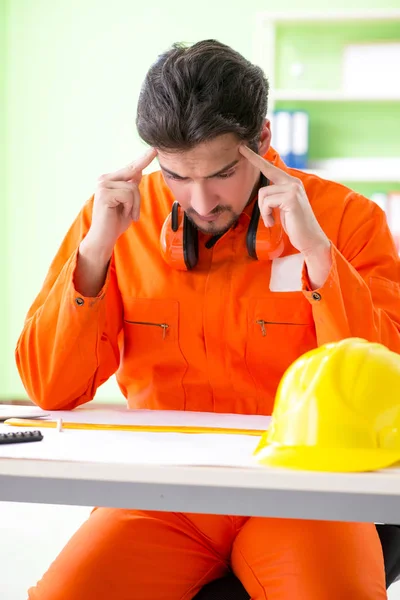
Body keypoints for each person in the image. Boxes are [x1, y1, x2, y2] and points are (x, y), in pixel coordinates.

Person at [16, 39, 398, 600]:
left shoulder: (347, 220)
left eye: (220, 173)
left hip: (304, 490)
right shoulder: (119, 219)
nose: (198, 200)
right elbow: (51, 386)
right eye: (175, 176)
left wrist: (319, 256)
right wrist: (96, 252)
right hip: (164, 494)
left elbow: (383, 385)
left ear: (263, 141)